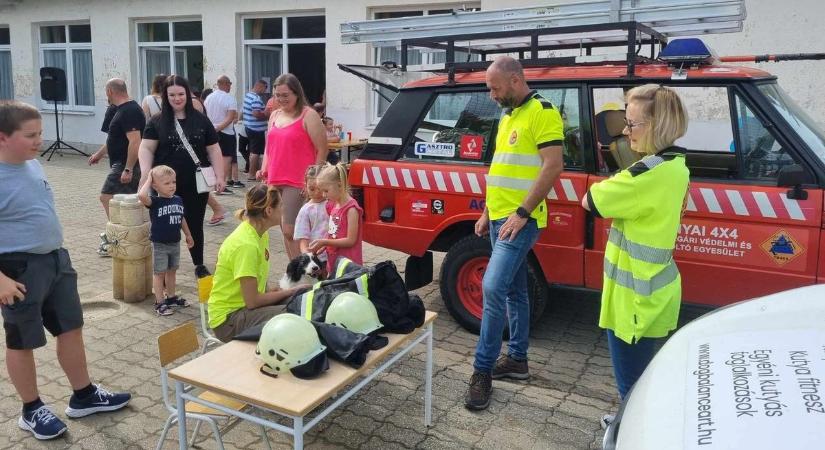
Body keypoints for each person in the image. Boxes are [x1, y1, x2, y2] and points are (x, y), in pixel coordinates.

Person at [0, 101, 131, 440]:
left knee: (71, 328)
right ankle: (32, 409)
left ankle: (84, 395)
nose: (38, 141)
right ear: (2, 137)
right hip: (17, 271)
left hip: (56, 261)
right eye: (30, 135)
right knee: (21, 341)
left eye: (40, 133)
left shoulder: (32, 165)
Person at [581, 84, 689, 426]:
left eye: (632, 124)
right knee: (643, 380)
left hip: (635, 303)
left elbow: (591, 200)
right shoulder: (676, 166)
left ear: (656, 126)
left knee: (633, 387)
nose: (626, 132)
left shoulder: (645, 175)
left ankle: (629, 432)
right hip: (653, 293)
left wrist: (626, 170)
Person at [464, 56, 565, 411]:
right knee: (515, 290)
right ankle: (518, 360)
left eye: (494, 88)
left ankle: (482, 371)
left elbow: (553, 166)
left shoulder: (543, 111)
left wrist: (521, 213)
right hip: (499, 218)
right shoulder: (508, 114)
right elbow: (502, 168)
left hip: (520, 220)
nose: (491, 95)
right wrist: (488, 212)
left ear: (515, 80)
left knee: (493, 288)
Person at [138, 75, 225, 280]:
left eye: (180, 94)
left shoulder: (201, 120)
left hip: (196, 183)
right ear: (165, 96)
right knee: (165, 226)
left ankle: (199, 264)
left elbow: (213, 149)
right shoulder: (157, 121)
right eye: (172, 95)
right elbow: (147, 148)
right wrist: (145, 173)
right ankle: (164, 270)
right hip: (164, 185)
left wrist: (220, 176)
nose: (177, 98)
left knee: (194, 224)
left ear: (187, 94)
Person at [207, 184, 307, 342]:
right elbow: (253, 301)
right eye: (280, 205)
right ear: (268, 211)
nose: (283, 208)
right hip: (228, 321)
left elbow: (256, 292)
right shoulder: (246, 245)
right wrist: (289, 291)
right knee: (294, 315)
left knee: (303, 300)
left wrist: (281, 291)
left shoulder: (260, 233)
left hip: (244, 309)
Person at [258, 73, 328, 260]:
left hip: (297, 180)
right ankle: (295, 268)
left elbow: (322, 149)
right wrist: (264, 168)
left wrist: (313, 179)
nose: (281, 100)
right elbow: (269, 146)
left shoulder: (309, 115)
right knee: (284, 229)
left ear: (297, 93)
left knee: (291, 229)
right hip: (274, 177)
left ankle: (304, 268)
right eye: (277, 95)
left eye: (285, 95)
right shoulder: (274, 115)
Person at [88, 79, 145, 256]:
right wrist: (99, 154)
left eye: (106, 92)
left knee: (106, 197)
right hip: (121, 163)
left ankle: (117, 237)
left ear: (110, 91)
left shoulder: (130, 111)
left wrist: (128, 168)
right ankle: (126, 237)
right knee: (126, 201)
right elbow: (114, 139)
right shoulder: (120, 110)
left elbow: (135, 141)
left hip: (126, 164)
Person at [137, 165, 194, 316]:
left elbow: (181, 218)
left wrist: (188, 235)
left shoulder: (178, 200)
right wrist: (149, 179)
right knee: (159, 273)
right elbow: (141, 196)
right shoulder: (155, 202)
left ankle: (171, 297)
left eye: (173, 182)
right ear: (155, 186)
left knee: (172, 271)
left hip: (175, 242)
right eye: (166, 183)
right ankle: (159, 302)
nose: (172, 186)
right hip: (160, 244)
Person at [308, 163, 363, 274]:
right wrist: (324, 245)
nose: (323, 195)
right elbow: (333, 232)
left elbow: (350, 240)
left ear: (339, 185)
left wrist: (324, 242)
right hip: (334, 261)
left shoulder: (351, 209)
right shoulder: (333, 205)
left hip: (348, 265)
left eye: (326, 191)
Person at [204, 75, 241, 192]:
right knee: (226, 158)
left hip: (210, 131)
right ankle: (221, 185)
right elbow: (230, 118)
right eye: (229, 84)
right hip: (226, 132)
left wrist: (212, 129)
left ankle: (213, 183)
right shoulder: (230, 99)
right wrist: (219, 128)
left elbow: (204, 115)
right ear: (223, 84)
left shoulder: (208, 98)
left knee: (212, 158)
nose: (230, 86)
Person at [294, 164, 329, 272]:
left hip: (336, 253)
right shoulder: (306, 210)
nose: (317, 193)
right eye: (312, 189)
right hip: (318, 259)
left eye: (320, 188)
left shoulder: (333, 202)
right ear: (305, 186)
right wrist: (309, 259)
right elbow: (303, 240)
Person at [243, 79, 268, 183]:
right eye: (264, 88)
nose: (265, 91)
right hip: (256, 129)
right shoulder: (256, 98)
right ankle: (252, 175)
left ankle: (253, 173)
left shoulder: (248, 95)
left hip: (249, 127)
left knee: (253, 151)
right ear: (259, 86)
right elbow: (256, 114)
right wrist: (267, 115)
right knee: (255, 153)